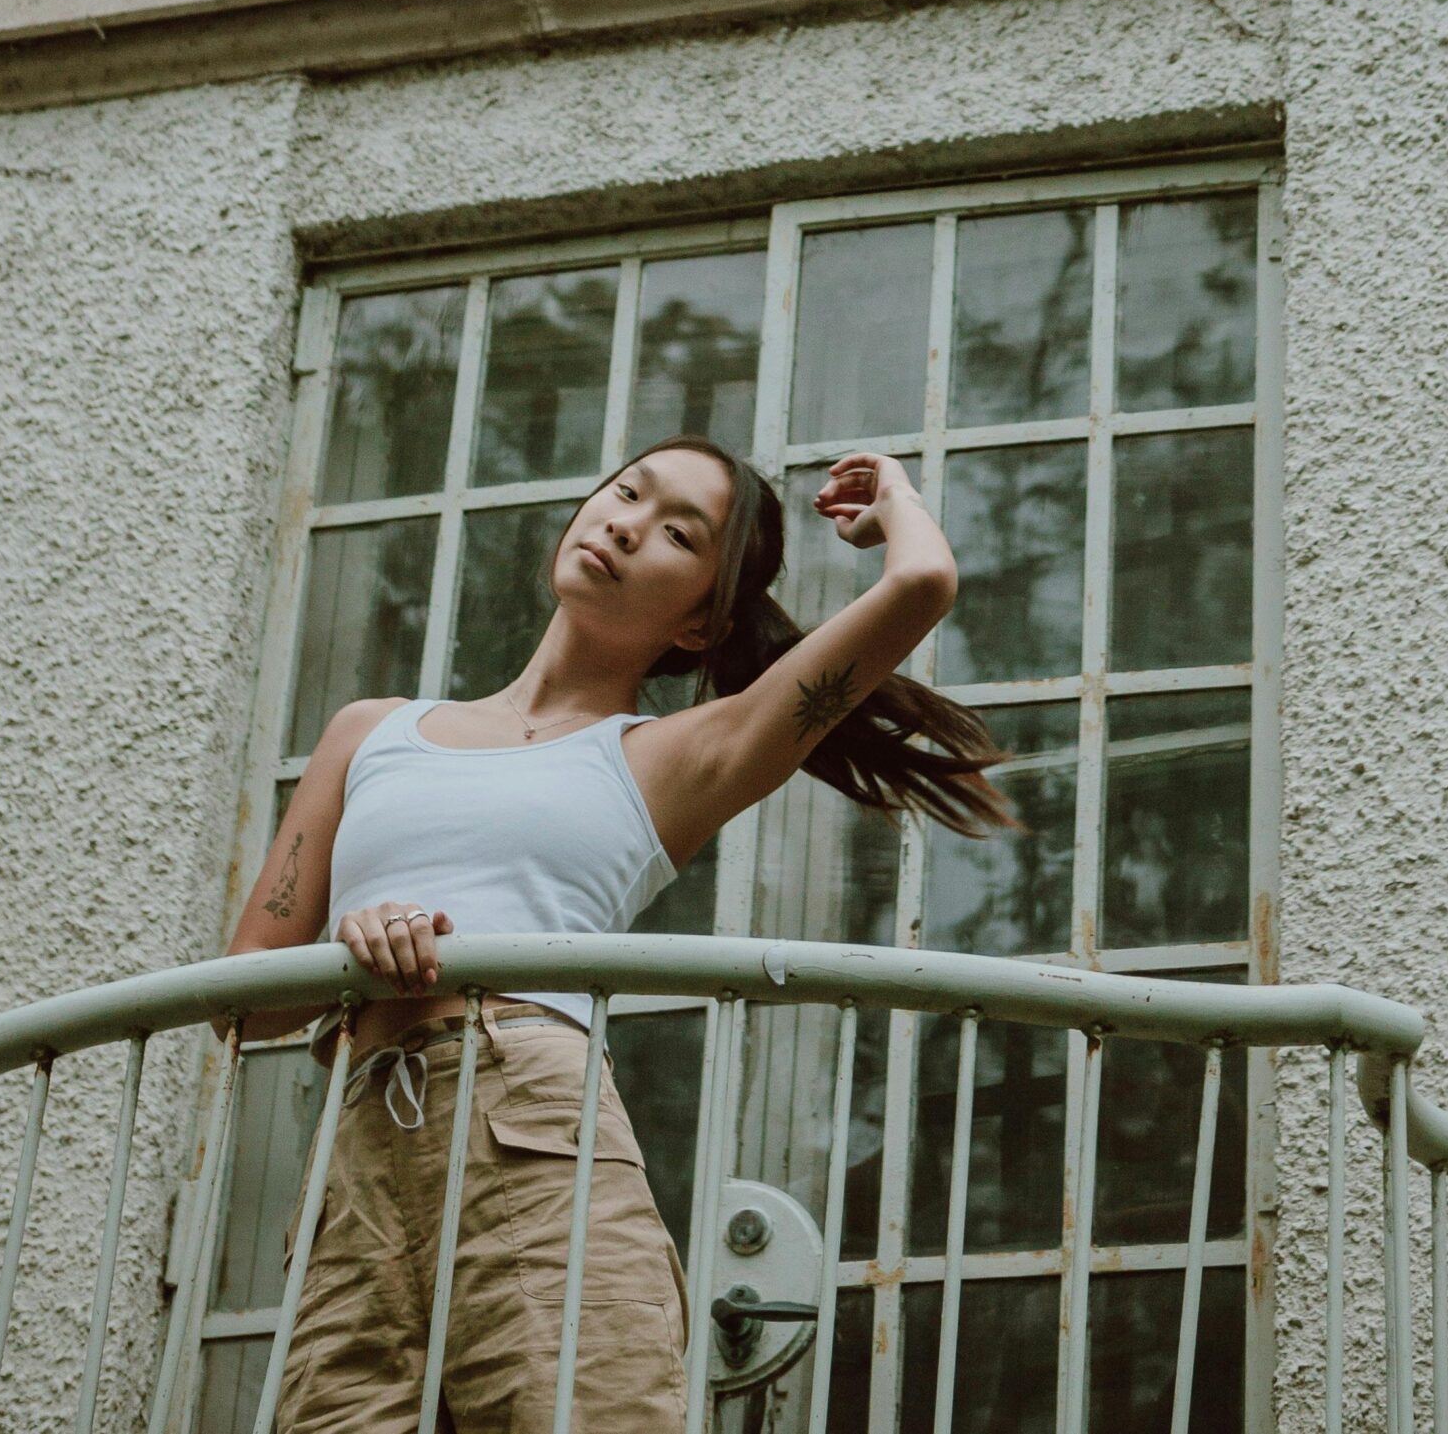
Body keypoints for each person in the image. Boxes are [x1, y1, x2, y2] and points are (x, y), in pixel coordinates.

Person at [218, 434, 1024, 1432]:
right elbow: (245, 1000)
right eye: (627, 491)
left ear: (701, 623)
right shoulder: (369, 731)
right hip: (357, 1155)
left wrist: (894, 499)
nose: (626, 522)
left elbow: (922, 582)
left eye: (676, 532)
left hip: (530, 1122)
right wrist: (356, 950)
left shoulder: (675, 754)